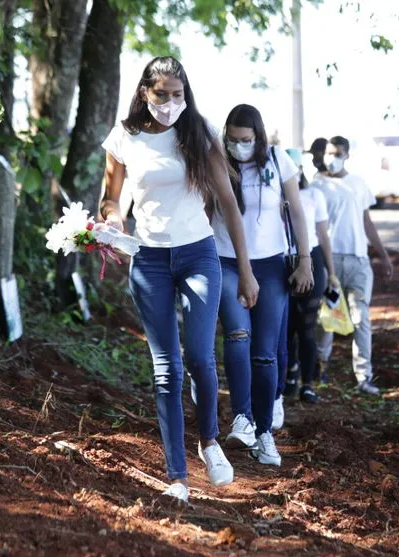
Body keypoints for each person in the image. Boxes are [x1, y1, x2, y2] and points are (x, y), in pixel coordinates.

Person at [99, 57, 259, 503]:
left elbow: (228, 204)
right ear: (144, 93)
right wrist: (113, 224)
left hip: (198, 254)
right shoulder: (124, 136)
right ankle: (178, 476)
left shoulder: (198, 132)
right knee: (166, 368)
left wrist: (246, 272)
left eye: (177, 95)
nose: (170, 103)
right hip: (149, 260)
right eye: (161, 94)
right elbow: (111, 199)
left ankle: (209, 441)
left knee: (201, 358)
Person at [214, 104, 314, 466]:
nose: (238, 145)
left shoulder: (276, 160)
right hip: (225, 260)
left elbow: (297, 211)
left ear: (258, 137)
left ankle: (264, 432)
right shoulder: (217, 161)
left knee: (266, 351)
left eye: (245, 139)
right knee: (237, 335)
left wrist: (305, 260)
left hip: (271, 263)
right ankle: (241, 417)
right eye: (232, 139)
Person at [314, 136, 393, 394]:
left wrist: (383, 254)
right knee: (326, 319)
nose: (332, 158)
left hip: (359, 261)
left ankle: (364, 377)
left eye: (337, 153)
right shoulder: (317, 185)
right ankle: (320, 370)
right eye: (329, 153)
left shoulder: (358, 183)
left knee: (361, 319)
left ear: (347, 155)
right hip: (330, 261)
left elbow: (367, 222)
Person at [281, 148, 334, 404]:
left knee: (307, 325)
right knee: (287, 325)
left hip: (310, 258)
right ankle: (290, 374)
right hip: (281, 259)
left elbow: (323, 235)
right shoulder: (273, 195)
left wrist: (331, 272)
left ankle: (308, 383)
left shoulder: (313, 195)